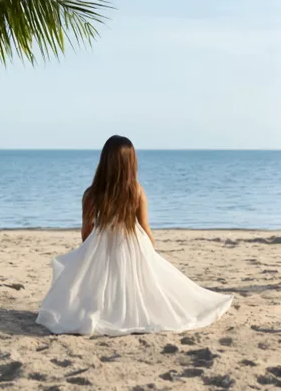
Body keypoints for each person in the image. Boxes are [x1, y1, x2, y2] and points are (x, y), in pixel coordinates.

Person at [36, 135, 233, 336]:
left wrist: (87, 252)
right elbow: (144, 226)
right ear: (130, 163)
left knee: (102, 282)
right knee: (134, 283)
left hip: (100, 244)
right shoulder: (136, 191)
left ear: (104, 161)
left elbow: (86, 229)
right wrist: (150, 250)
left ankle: (107, 311)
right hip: (132, 243)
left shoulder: (91, 193)